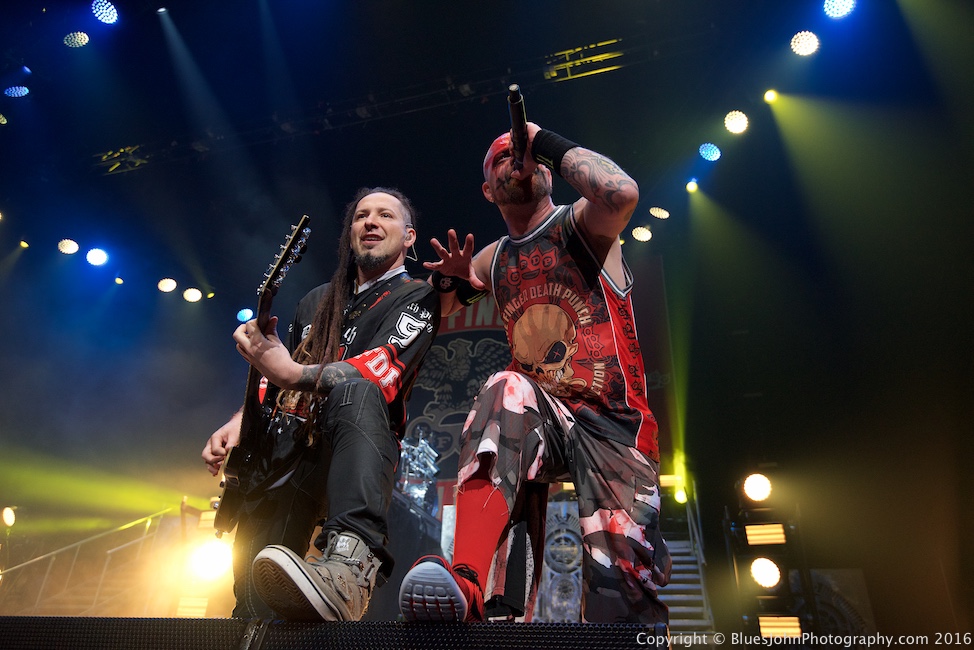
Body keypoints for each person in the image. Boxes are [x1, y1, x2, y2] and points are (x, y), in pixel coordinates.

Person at [398, 123, 672, 625]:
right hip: (543, 419)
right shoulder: (494, 257)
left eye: (526, 154)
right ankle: (469, 581)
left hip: (614, 426)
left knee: (622, 598)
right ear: (488, 189)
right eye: (504, 157)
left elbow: (622, 193)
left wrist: (541, 138)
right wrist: (447, 282)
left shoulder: (584, 223)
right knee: (506, 389)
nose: (519, 160)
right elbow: (437, 306)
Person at [202, 187, 440, 621]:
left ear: (409, 236)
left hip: (349, 447)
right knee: (254, 601)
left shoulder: (416, 296)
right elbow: (281, 373)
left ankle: (351, 567)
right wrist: (242, 418)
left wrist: (292, 374)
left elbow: (378, 370)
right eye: (361, 215)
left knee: (358, 389)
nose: (370, 222)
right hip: (285, 454)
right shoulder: (316, 300)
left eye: (385, 215)